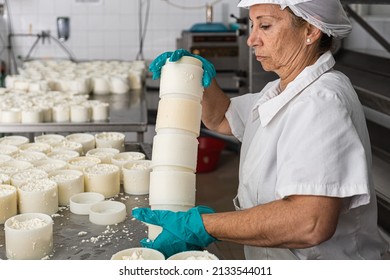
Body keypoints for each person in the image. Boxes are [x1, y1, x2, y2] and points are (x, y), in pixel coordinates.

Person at [132, 0, 389, 259]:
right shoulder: (279, 89)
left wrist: (203, 227)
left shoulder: (320, 102)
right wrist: (197, 78)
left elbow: (310, 222)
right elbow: (222, 118)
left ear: (311, 31)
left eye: (265, 26)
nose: (251, 40)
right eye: (252, 25)